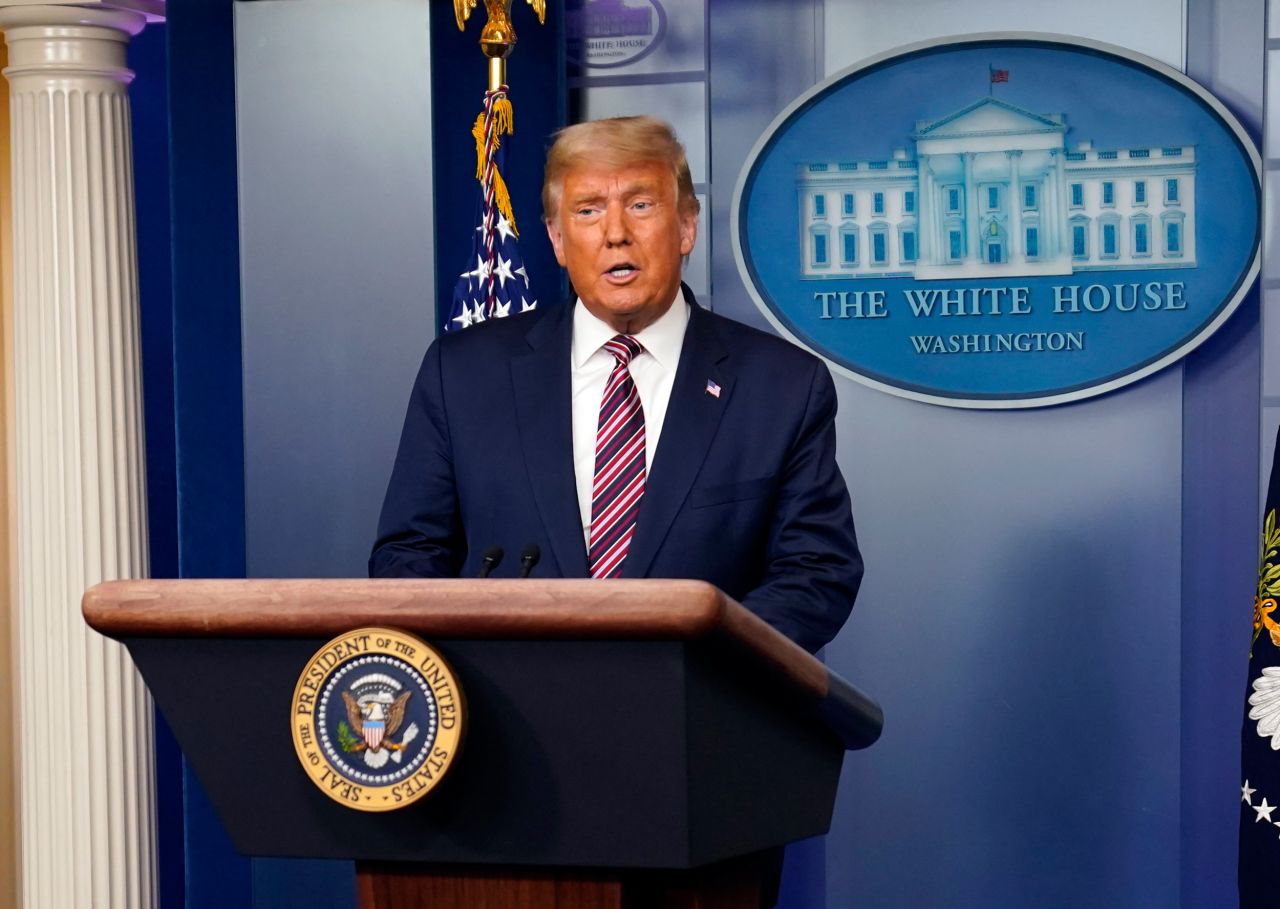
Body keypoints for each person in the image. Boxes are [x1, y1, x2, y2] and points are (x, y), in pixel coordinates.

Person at [370, 116, 861, 654]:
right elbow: (408, 558)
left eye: (641, 204)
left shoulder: (782, 385)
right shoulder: (462, 375)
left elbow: (816, 570)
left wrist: (711, 665)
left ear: (687, 226)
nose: (615, 232)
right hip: (507, 711)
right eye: (588, 210)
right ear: (557, 239)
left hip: (697, 712)